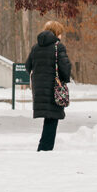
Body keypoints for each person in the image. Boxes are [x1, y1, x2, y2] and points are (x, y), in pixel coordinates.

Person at [25, 20, 72, 151]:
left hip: (40, 89)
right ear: (56, 33)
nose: (61, 36)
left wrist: (39, 78)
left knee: (49, 119)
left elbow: (28, 66)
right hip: (53, 88)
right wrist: (64, 79)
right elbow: (65, 68)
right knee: (52, 118)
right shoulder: (58, 46)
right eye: (60, 33)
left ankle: (44, 147)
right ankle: (44, 149)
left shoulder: (35, 47)